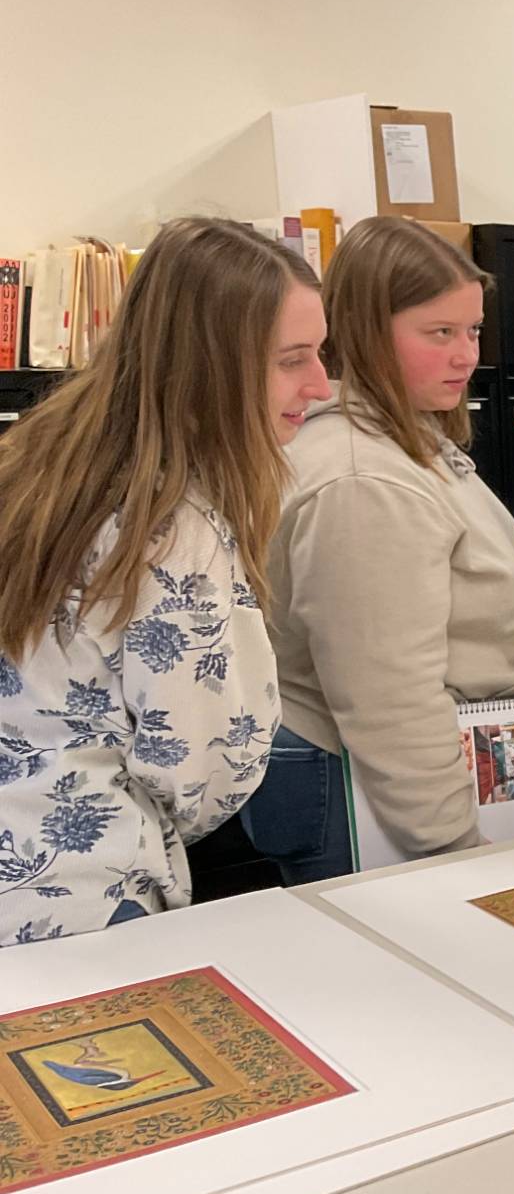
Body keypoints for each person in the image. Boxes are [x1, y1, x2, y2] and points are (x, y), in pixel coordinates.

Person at [0, 218, 328, 942]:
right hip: (86, 898)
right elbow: (208, 764)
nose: (321, 383)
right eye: (292, 359)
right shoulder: (177, 529)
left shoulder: (36, 466)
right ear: (212, 364)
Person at [243, 217, 514, 880]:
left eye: (472, 330)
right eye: (438, 333)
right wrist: (452, 849)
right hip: (367, 787)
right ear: (364, 329)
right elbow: (386, 694)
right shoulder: (365, 481)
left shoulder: (400, 442)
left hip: (414, 769)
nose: (466, 355)